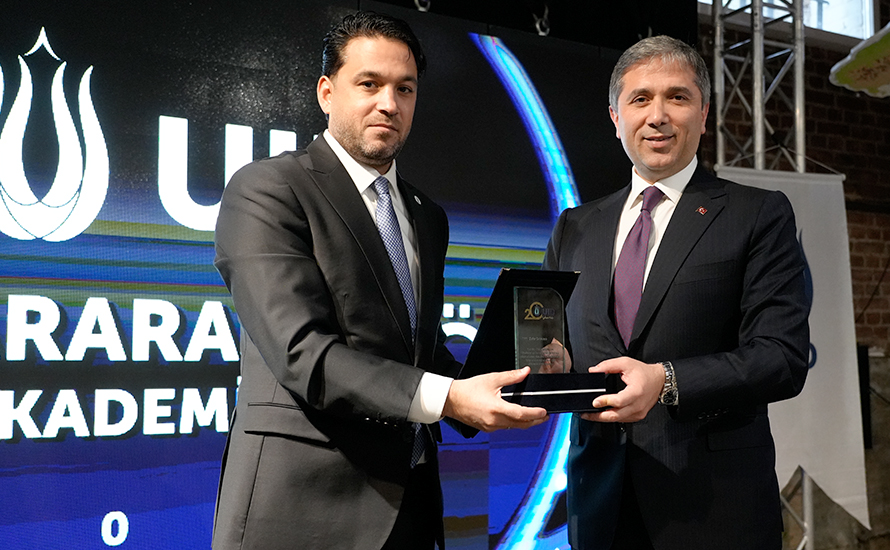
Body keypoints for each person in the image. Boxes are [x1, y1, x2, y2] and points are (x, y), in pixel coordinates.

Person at [211, 11, 548, 550]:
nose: (389, 103)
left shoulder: (426, 215)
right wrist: (451, 398)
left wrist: (509, 382)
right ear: (326, 92)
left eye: (404, 88)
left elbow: (417, 351)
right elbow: (302, 354)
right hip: (303, 510)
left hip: (411, 503)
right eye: (368, 84)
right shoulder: (268, 189)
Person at [543, 35, 810, 550]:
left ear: (704, 114)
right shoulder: (574, 226)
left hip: (714, 511)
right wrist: (542, 371)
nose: (658, 116)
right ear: (615, 117)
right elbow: (555, 348)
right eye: (640, 99)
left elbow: (782, 357)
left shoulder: (757, 214)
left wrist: (664, 381)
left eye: (678, 97)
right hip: (599, 507)